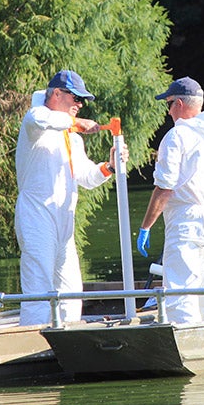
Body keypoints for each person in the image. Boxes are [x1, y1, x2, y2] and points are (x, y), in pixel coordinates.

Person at [14, 69, 128, 326]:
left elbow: (87, 176)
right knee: (39, 289)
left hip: (64, 221)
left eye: (82, 100)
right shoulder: (35, 123)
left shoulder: (72, 140)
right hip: (36, 217)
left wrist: (109, 166)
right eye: (75, 98)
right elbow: (42, 119)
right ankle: (31, 341)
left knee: (71, 291)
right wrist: (78, 123)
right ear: (56, 93)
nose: (79, 104)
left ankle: (66, 341)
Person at [137, 77, 204, 323]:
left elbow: (164, 188)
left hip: (188, 221)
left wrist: (145, 226)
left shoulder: (177, 135)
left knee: (181, 293)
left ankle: (186, 345)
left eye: (168, 104)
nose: (168, 111)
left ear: (179, 103)